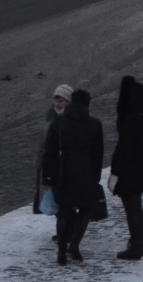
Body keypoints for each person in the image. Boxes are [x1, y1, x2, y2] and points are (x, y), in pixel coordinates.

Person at [43, 88, 103, 265]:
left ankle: (61, 253)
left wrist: (48, 177)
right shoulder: (94, 124)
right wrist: (96, 176)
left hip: (63, 174)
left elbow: (49, 152)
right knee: (86, 209)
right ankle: (74, 245)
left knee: (63, 212)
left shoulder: (58, 123)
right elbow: (98, 154)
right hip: (87, 173)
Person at [110, 76, 143, 260]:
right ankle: (137, 243)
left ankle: (137, 246)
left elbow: (123, 149)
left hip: (130, 170)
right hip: (141, 167)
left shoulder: (132, 119)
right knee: (135, 207)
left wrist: (116, 172)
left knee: (133, 208)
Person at [34, 84, 72, 236]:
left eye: (61, 100)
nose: (58, 104)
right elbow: (41, 145)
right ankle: (63, 231)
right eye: (56, 100)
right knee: (56, 200)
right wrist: (38, 165)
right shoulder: (48, 119)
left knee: (66, 202)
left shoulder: (73, 120)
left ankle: (66, 232)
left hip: (68, 168)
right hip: (52, 168)